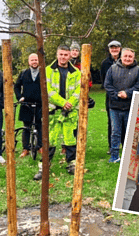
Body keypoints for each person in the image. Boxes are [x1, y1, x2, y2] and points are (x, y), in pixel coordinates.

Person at [34, 45, 81, 180]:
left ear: (70, 56)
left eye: (66, 55)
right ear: (56, 54)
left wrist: (70, 103)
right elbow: (47, 90)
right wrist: (62, 102)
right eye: (61, 54)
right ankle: (44, 167)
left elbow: (79, 90)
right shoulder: (48, 70)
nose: (63, 57)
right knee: (49, 139)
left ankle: (72, 164)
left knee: (70, 139)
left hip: (70, 112)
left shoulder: (76, 72)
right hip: (53, 111)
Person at [104, 48, 139, 163]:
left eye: (130, 57)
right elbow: (107, 85)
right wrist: (117, 95)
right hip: (115, 107)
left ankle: (129, 157)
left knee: (129, 133)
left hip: (130, 106)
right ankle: (114, 156)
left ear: (133, 58)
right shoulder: (112, 69)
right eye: (125, 56)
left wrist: (128, 93)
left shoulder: (138, 70)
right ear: (121, 56)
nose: (127, 58)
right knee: (115, 132)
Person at [14, 53, 42, 158]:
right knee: (26, 127)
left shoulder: (43, 73)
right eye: (32, 60)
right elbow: (16, 86)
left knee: (39, 126)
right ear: (29, 62)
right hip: (26, 104)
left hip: (39, 104)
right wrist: (19, 97)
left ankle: (40, 147)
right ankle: (26, 148)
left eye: (36, 60)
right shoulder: (23, 73)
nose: (34, 62)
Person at [100, 40, 125, 154]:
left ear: (120, 49)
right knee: (112, 122)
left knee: (125, 122)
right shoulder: (105, 63)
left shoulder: (126, 61)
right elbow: (104, 82)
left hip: (125, 96)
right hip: (111, 97)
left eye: (116, 47)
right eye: (112, 48)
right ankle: (112, 146)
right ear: (109, 50)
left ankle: (125, 145)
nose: (114, 50)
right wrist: (114, 93)